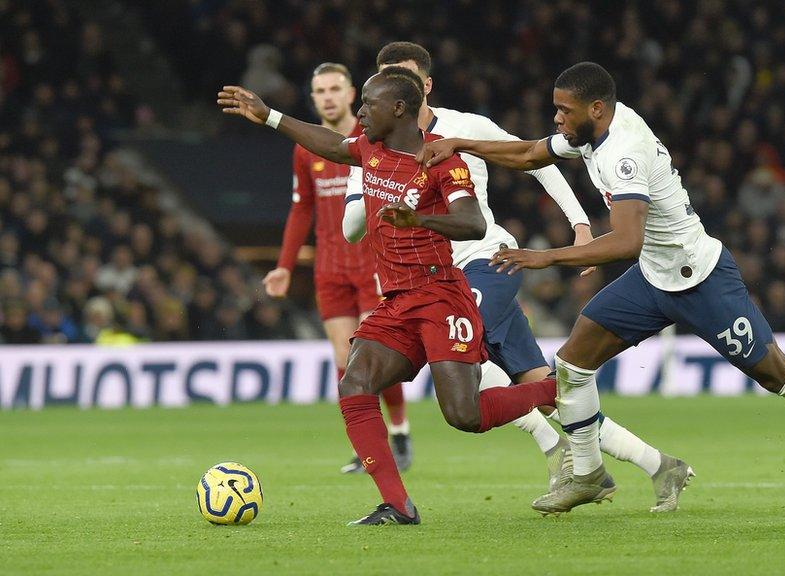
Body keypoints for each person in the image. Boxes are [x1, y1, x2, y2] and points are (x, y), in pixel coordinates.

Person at [418, 62, 785, 515]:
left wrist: (544, 257)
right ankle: (588, 474)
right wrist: (459, 144)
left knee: (780, 375)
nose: (555, 118)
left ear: (596, 109)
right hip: (652, 277)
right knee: (573, 364)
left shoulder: (624, 151)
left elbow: (624, 240)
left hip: (697, 277)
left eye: (562, 110)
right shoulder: (593, 129)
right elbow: (531, 154)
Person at [354, 42, 691, 512]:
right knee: (539, 382)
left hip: (484, 262)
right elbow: (355, 221)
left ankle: (555, 451)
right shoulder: (373, 145)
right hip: (435, 278)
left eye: (405, 78)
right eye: (386, 77)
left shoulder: (465, 128)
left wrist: (578, 225)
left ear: (423, 86)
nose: (395, 88)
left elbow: (539, 161)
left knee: (456, 364)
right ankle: (660, 465)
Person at [218, 67, 558, 525]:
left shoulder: (441, 161)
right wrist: (270, 117)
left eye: (368, 104)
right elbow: (329, 144)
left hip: (441, 296)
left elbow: (473, 223)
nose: (359, 112)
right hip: (397, 301)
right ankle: (397, 504)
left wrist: (419, 221)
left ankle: (559, 387)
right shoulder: (370, 150)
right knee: (354, 384)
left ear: (398, 108)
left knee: (465, 415)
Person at [260, 62, 412, 473]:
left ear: (350, 95)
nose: (327, 96)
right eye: (319, 91)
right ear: (313, 98)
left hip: (371, 264)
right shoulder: (305, 146)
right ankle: (371, 447)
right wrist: (285, 266)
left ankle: (399, 432)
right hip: (329, 268)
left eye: (334, 89)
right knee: (346, 362)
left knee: (373, 355)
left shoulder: (371, 140)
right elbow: (301, 208)